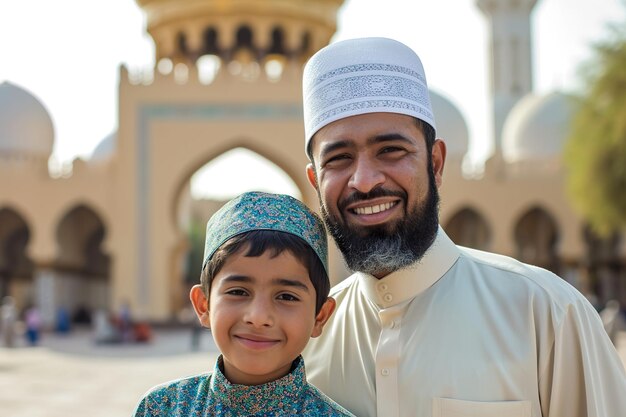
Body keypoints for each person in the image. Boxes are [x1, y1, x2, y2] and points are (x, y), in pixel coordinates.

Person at [301, 37, 626, 417]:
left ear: (436, 163)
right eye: (339, 159)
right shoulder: (305, 342)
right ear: (314, 182)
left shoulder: (547, 313)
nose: (366, 180)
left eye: (391, 150)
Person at [133, 192, 354, 416]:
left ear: (320, 316)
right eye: (238, 292)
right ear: (203, 305)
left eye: (287, 297)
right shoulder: (163, 408)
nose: (258, 317)